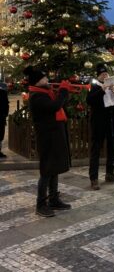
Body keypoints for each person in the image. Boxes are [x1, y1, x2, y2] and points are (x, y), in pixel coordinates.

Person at [23, 66, 71, 217]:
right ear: (37, 82)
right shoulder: (37, 96)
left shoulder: (45, 93)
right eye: (44, 78)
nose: (47, 80)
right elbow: (55, 106)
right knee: (46, 170)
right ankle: (41, 204)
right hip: (46, 137)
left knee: (54, 167)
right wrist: (63, 91)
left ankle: (54, 199)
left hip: (54, 135)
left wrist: (63, 93)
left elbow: (58, 105)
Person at [87, 63, 114, 190]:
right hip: (99, 122)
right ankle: (94, 178)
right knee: (96, 150)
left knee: (112, 148)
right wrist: (102, 89)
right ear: (98, 76)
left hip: (112, 120)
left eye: (106, 74)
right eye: (103, 74)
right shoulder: (94, 86)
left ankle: (110, 173)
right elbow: (90, 100)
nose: (105, 76)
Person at [0, 82, 9, 158]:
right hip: (1, 117)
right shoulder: (3, 92)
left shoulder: (3, 93)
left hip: (1, 117)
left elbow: (6, 105)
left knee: (0, 135)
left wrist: (5, 115)